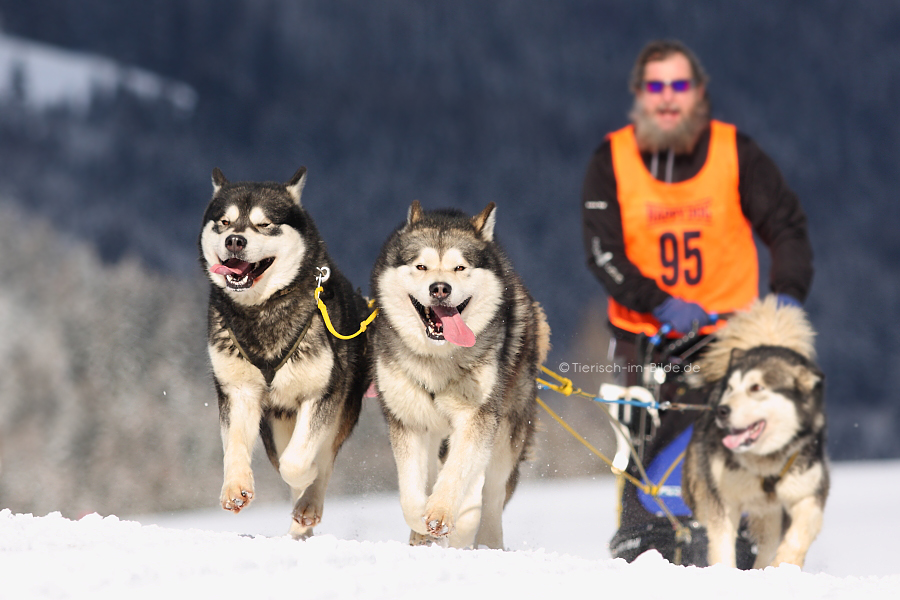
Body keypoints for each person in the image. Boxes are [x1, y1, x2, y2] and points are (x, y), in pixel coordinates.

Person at [580, 39, 813, 566]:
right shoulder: (610, 160)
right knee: (640, 444)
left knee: (737, 435)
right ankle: (644, 541)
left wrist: (787, 300)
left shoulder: (738, 154)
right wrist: (659, 302)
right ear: (639, 95)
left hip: (732, 334)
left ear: (699, 94)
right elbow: (602, 250)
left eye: (679, 86)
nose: (668, 99)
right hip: (643, 334)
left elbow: (787, 228)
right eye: (656, 87)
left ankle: (746, 543)